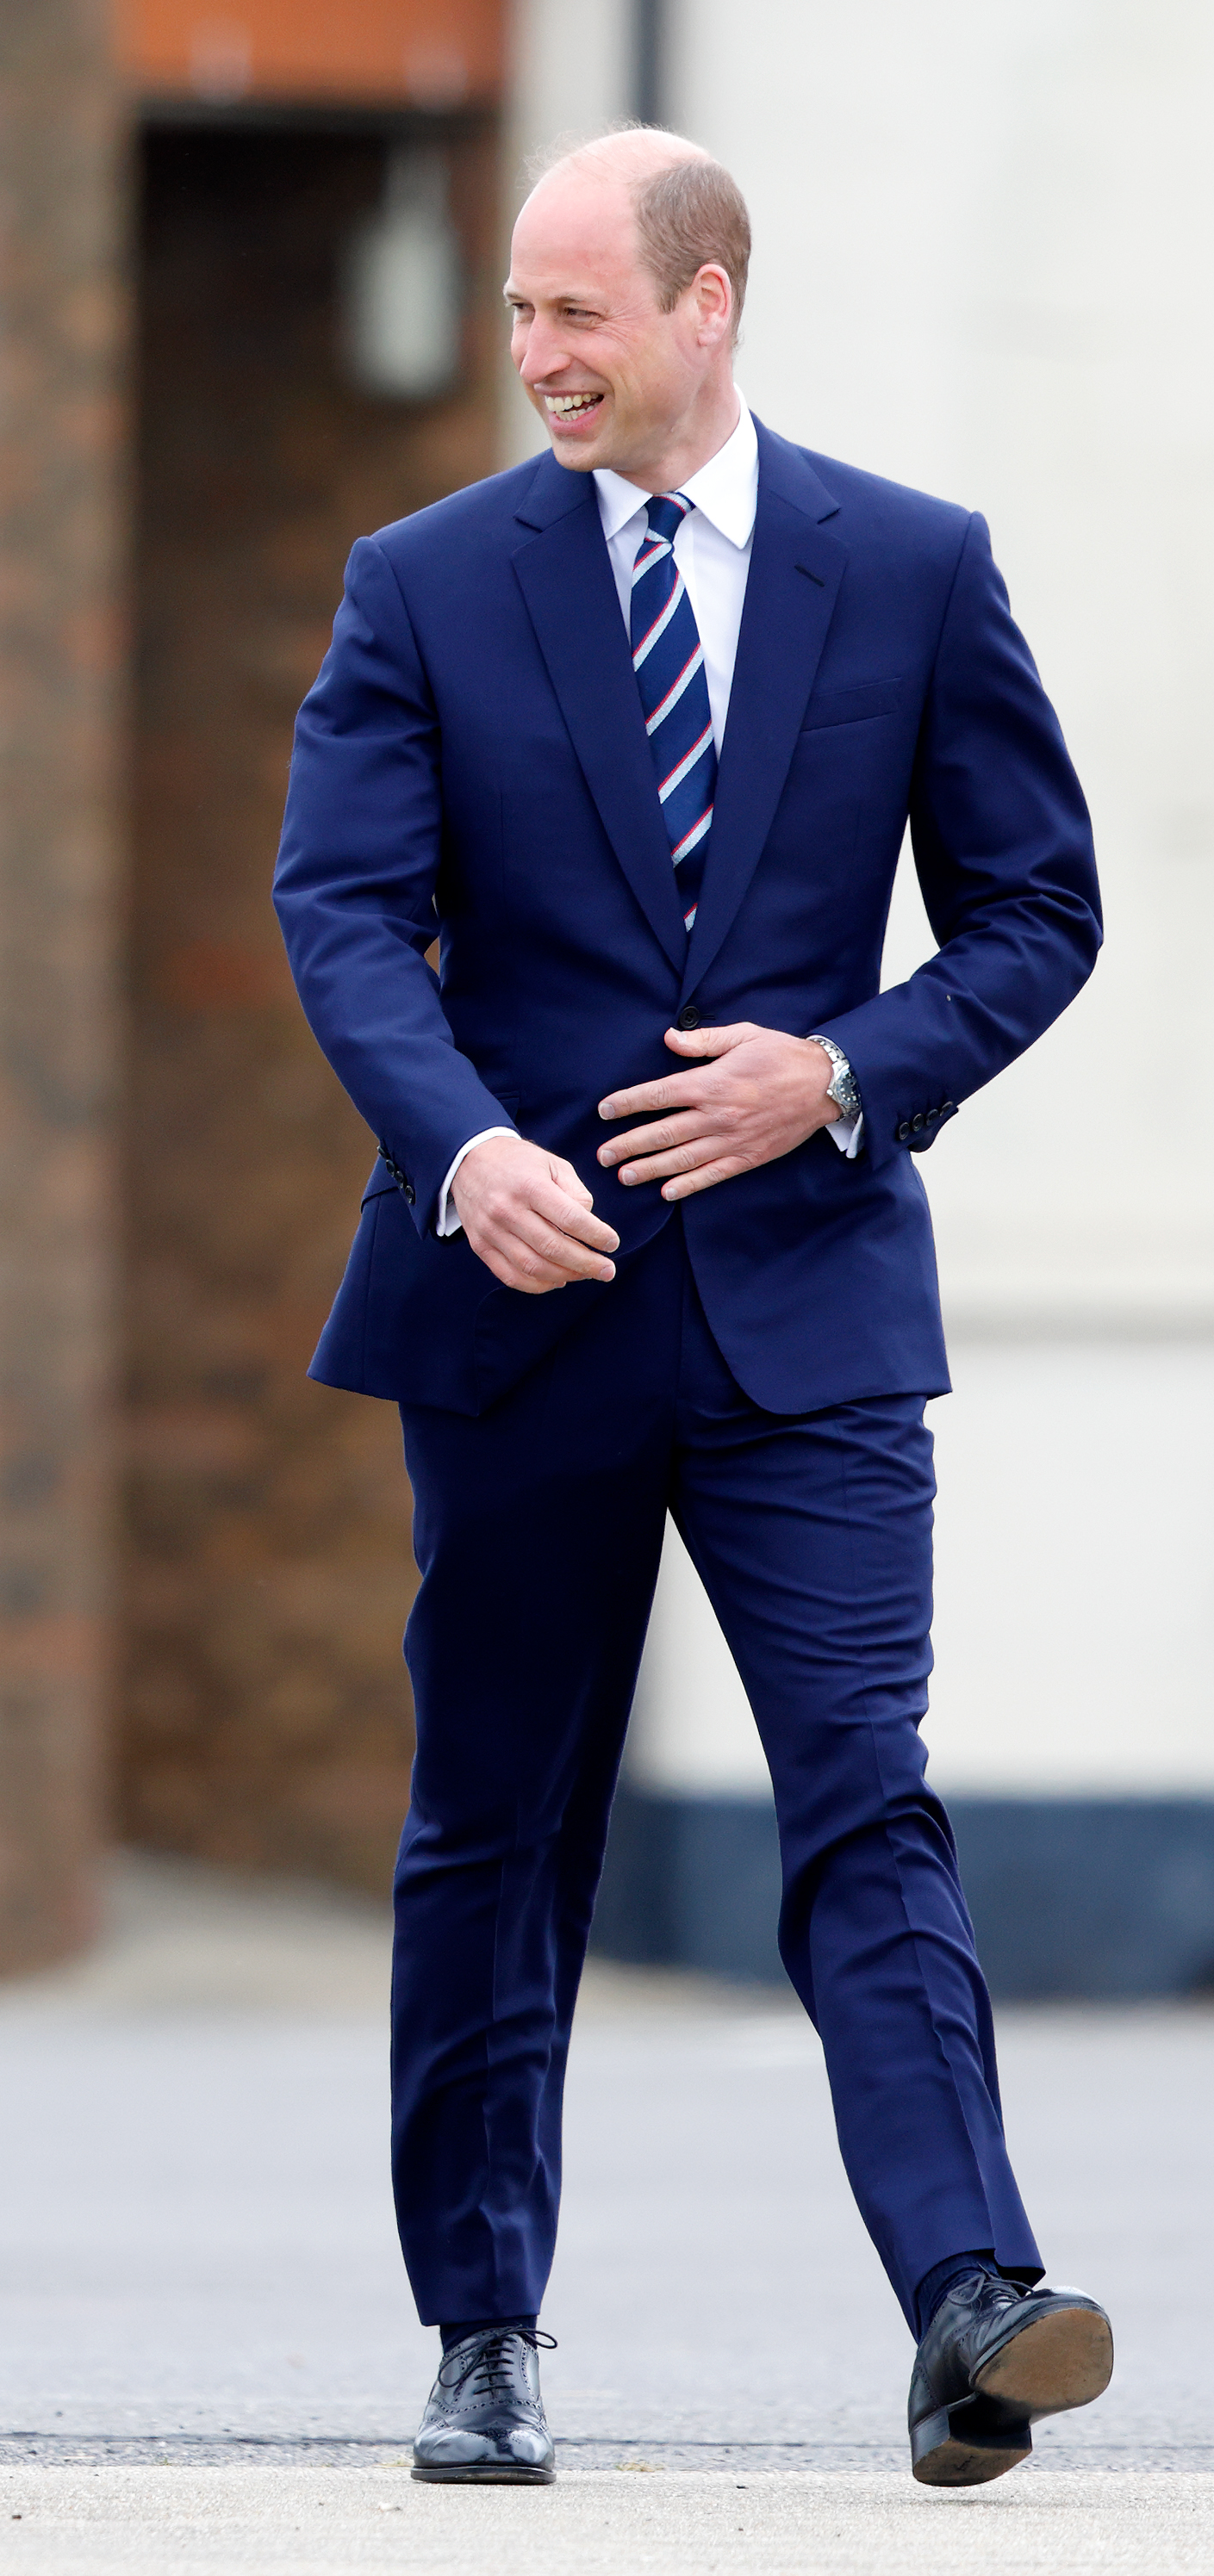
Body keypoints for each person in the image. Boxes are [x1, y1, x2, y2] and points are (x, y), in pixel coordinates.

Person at [273, 129, 1109, 2489]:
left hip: (811, 1315)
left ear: (706, 303)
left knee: (865, 1798)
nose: (534, 355)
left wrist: (842, 1071)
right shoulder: (422, 586)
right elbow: (343, 914)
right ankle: (484, 2327)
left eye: (574, 315)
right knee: (496, 1827)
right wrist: (468, 1152)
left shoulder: (912, 571)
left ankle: (968, 2298)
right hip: (519, 1308)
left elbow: (1039, 914)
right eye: (517, 314)